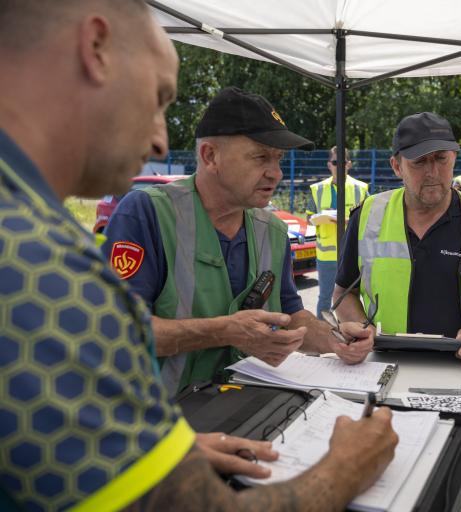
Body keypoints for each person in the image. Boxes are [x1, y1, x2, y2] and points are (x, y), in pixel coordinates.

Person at [0, 2, 397, 510]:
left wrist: (336, 337)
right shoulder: (41, 262)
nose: (161, 140)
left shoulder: (33, 235)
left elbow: (291, 314)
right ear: (95, 49)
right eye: (159, 98)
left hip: (204, 423)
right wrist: (346, 468)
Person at [103, 87, 373, 394]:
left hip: (239, 410)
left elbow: (290, 313)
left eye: (279, 158)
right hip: (157, 422)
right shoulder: (146, 214)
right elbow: (117, 331)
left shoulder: (271, 229)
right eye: (260, 156)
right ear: (210, 156)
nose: (276, 173)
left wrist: (334, 338)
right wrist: (226, 331)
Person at [333, 112, 461, 365]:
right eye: (419, 162)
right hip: (384, 365)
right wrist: (358, 328)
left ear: (454, 159)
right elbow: (344, 294)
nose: (432, 172)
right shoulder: (368, 216)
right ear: (397, 166)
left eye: (441, 159)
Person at [306, 146, 368, 317]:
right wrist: (320, 218)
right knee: (325, 298)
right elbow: (308, 218)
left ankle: (348, 335)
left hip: (352, 254)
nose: (338, 166)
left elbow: (368, 219)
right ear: (329, 165)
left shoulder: (360, 189)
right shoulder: (317, 189)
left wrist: (343, 220)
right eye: (335, 162)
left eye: (342, 162)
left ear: (349, 164)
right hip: (326, 255)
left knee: (350, 298)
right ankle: (324, 337)